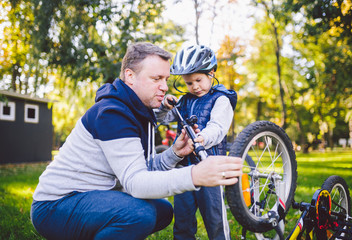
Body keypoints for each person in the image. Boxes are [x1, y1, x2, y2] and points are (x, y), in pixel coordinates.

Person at [30, 42, 242, 240]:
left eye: (166, 80)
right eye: (156, 79)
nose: (165, 87)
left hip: (90, 196)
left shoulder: (139, 112)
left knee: (162, 210)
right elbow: (136, 183)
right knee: (140, 214)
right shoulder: (112, 113)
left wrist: (175, 153)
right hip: (55, 205)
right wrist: (194, 175)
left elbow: (144, 168)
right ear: (130, 76)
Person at [156, 44, 238, 240]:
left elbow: (218, 127)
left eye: (199, 80)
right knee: (182, 222)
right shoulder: (184, 101)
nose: (195, 87)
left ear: (211, 73)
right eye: (189, 83)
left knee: (215, 221)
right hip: (184, 169)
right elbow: (163, 119)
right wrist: (164, 107)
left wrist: (203, 138)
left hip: (210, 167)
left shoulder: (220, 99)